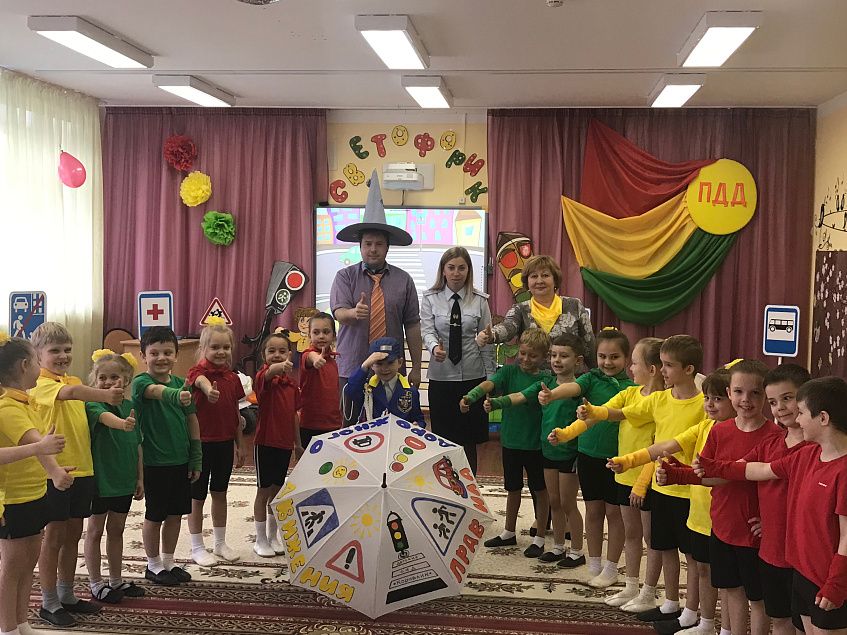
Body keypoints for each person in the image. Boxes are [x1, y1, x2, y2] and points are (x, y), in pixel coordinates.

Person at [697, 377, 847, 635]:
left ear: (823, 418)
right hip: (802, 573)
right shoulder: (807, 454)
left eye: (802, 413)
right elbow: (758, 469)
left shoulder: (842, 471)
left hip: (827, 580)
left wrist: (837, 582)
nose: (797, 419)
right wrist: (706, 468)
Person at [578, 335, 705, 625]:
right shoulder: (659, 400)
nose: (663, 370)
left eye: (668, 365)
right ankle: (669, 603)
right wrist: (594, 411)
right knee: (664, 547)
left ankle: (691, 612)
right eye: (662, 364)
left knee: (692, 558)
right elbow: (623, 413)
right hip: (661, 487)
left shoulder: (702, 404)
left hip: (688, 491)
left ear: (688, 369)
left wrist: (635, 468)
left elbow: (665, 445)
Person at [615, 367, 737, 634]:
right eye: (708, 398)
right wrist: (628, 461)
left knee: (727, 582)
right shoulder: (704, 426)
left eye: (718, 399)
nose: (710, 404)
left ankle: (725, 629)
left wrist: (680, 474)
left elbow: (721, 475)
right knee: (701, 569)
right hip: (699, 514)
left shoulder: (735, 434)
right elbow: (666, 445)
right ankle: (700, 620)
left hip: (721, 517)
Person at [553, 337, 665, 605]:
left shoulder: (660, 401)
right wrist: (568, 432)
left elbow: (621, 416)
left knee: (651, 537)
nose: (630, 368)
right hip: (622, 472)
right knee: (630, 532)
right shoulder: (629, 393)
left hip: (646, 478)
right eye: (602, 356)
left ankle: (647, 591)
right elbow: (601, 411)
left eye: (633, 363)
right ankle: (628, 584)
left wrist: (594, 411)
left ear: (651, 369)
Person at [30, 322, 123, 627]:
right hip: (55, 472)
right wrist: (104, 394)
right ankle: (48, 602)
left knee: (73, 535)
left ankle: (66, 593)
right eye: (54, 350)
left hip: (83, 469)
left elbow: (77, 393)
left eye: (67, 349)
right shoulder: (41, 384)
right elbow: (71, 393)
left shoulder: (72, 379)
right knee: (53, 538)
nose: (63, 355)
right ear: (37, 355)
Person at [539, 328, 635, 587]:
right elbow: (573, 387)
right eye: (602, 356)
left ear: (626, 359)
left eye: (614, 357)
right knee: (593, 510)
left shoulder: (632, 388)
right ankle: (593, 562)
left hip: (617, 459)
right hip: (587, 454)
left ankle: (611, 566)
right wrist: (552, 394)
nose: (607, 362)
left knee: (614, 513)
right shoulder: (591, 378)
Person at [486, 333, 586, 566]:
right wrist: (496, 402)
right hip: (547, 451)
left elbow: (585, 419)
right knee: (555, 501)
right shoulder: (545, 384)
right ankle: (558, 547)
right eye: (554, 355)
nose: (557, 360)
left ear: (578, 361)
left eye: (564, 356)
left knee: (568, 503)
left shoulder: (581, 387)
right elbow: (520, 396)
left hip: (568, 453)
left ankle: (577, 552)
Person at [331, 171, 422, 424]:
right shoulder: (345, 276)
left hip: (391, 369)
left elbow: (413, 326)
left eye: (379, 244)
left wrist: (416, 367)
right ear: (360, 246)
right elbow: (338, 313)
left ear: (387, 247)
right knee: (351, 426)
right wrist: (353, 313)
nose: (373, 249)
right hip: (353, 368)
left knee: (396, 427)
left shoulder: (404, 280)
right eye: (368, 243)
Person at [697, 360, 779, 635]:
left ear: (766, 395)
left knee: (757, 598)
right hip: (722, 523)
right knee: (731, 589)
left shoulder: (776, 436)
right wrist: (680, 473)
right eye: (739, 392)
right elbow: (708, 474)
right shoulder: (719, 431)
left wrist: (770, 521)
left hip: (754, 533)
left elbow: (780, 489)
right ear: (729, 393)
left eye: (755, 393)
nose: (746, 399)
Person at [0, 334, 72, 635]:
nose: (39, 369)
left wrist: (53, 470)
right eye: (35, 362)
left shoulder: (25, 402)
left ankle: (22, 621)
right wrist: (47, 457)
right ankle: (6, 627)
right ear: (25, 365)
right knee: (12, 566)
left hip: (34, 493)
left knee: (28, 562)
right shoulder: (8, 407)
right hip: (14, 499)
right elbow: (34, 443)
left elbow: (39, 446)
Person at [461, 329, 552, 556]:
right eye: (523, 353)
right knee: (512, 488)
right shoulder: (509, 371)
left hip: (535, 445)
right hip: (510, 442)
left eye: (533, 355)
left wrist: (496, 403)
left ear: (544, 357)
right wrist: (471, 396)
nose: (526, 359)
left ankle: (540, 537)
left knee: (539, 490)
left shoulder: (545, 380)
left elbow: (520, 397)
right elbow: (488, 385)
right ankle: (509, 532)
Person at [132, 326, 201, 587]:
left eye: (167, 352)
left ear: (176, 355)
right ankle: (153, 564)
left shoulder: (181, 383)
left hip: (181, 461)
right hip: (154, 463)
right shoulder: (141, 382)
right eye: (154, 353)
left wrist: (196, 456)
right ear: (143, 356)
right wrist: (176, 395)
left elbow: (192, 420)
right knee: (155, 515)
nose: (161, 358)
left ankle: (169, 562)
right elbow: (155, 392)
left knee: (175, 515)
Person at [747, 364, 811, 635]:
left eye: (787, 398)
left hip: (807, 558)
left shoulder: (820, 449)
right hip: (772, 551)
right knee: (780, 618)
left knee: (806, 624)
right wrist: (684, 473)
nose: (780, 408)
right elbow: (735, 469)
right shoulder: (771, 444)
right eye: (773, 402)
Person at [421, 246, 496, 472]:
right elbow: (427, 331)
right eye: (451, 267)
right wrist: (434, 348)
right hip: (441, 378)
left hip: (473, 377)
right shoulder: (430, 298)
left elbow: (487, 341)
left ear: (468, 270)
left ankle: (470, 485)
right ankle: (445, 484)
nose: (456, 273)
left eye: (461, 268)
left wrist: (491, 380)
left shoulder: (479, 301)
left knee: (469, 440)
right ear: (443, 270)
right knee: (442, 439)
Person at [83, 349, 145, 604]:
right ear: (95, 380)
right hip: (101, 481)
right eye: (103, 378)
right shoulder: (93, 404)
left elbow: (137, 444)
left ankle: (116, 580)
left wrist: (140, 478)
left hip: (124, 480)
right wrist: (122, 424)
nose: (108, 382)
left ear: (126, 379)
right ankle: (96, 583)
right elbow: (106, 419)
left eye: (114, 377)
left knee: (117, 530)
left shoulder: (131, 407)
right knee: (95, 531)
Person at [185, 320, 246, 566]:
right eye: (214, 347)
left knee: (220, 493)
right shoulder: (195, 373)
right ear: (203, 349)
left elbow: (235, 413)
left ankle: (220, 543)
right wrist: (209, 389)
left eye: (226, 347)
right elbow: (201, 381)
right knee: (197, 498)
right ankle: (197, 546)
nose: (221, 352)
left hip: (224, 444)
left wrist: (240, 444)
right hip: (200, 446)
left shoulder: (233, 378)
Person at [475, 254, 594, 370]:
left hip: (568, 378)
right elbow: (508, 327)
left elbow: (589, 344)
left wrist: (597, 373)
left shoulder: (574, 305)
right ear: (527, 282)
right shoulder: (520, 309)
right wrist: (492, 335)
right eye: (534, 276)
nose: (539, 281)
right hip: (530, 377)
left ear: (555, 280)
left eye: (545, 275)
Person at [252, 330, 302, 557]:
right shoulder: (263, 378)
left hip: (284, 445)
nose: (277, 355)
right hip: (265, 443)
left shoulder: (292, 385)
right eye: (271, 351)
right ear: (264, 355)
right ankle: (260, 539)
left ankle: (273, 536)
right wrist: (277, 367)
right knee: (263, 491)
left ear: (290, 354)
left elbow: (294, 415)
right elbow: (270, 372)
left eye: (282, 351)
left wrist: (297, 444)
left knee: (277, 491)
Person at [344, 337, 425, 426]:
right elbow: (351, 391)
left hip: (399, 433)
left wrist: (418, 425)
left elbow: (419, 419)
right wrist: (364, 366)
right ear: (372, 365)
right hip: (374, 432)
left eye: (390, 363)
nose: (385, 368)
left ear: (400, 362)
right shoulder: (367, 389)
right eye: (379, 364)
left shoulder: (410, 391)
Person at [299, 314, 342, 445]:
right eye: (316, 332)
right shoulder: (307, 355)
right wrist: (316, 359)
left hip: (333, 424)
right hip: (310, 425)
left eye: (326, 332)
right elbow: (309, 356)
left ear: (334, 335)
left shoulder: (333, 362)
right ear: (309, 336)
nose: (321, 336)